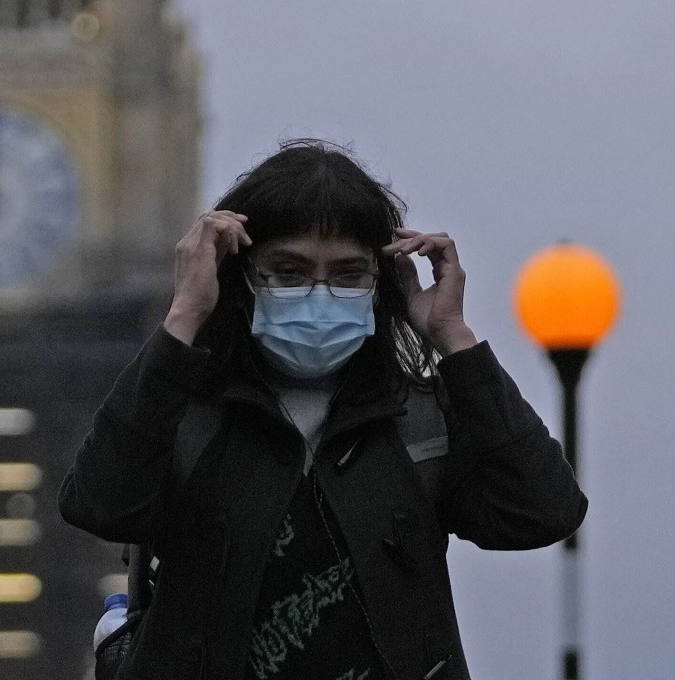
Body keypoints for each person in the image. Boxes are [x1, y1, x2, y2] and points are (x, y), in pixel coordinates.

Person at [59, 139, 587, 680]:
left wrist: (453, 339)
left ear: (380, 285)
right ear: (239, 278)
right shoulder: (185, 414)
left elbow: (546, 512)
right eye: (288, 273)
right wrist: (185, 316)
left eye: (347, 275)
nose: (319, 294)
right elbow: (98, 503)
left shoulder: (419, 422)